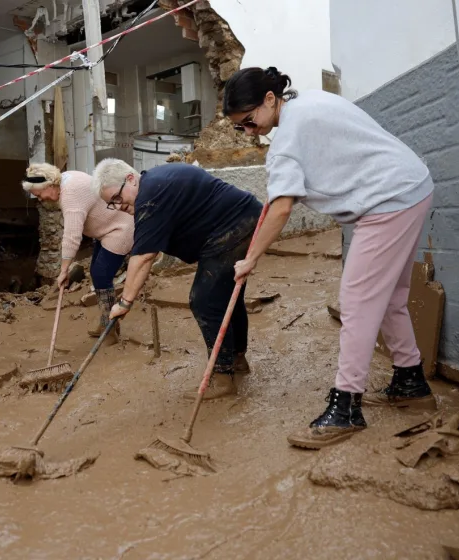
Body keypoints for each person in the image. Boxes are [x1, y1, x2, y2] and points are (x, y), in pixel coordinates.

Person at [223, 66, 437, 449]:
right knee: (389, 298)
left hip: (387, 201)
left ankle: (346, 408)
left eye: (250, 121)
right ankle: (411, 382)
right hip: (410, 187)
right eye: (241, 128)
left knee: (355, 302)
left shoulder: (287, 137)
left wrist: (250, 259)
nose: (250, 132)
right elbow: (279, 198)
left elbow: (282, 208)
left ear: (270, 99)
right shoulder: (307, 102)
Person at [93, 160, 263, 399]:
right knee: (224, 298)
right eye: (111, 204)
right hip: (240, 220)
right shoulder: (154, 186)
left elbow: (144, 256)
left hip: (234, 226)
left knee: (204, 300)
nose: (117, 206)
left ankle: (223, 378)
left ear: (130, 179)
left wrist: (125, 302)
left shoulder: (151, 194)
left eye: (117, 198)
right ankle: (236, 360)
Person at [23, 163, 134, 344]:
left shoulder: (71, 194)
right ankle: (108, 321)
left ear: (49, 185)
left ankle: (110, 329)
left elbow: (72, 236)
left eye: (39, 195)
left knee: (101, 275)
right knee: (97, 272)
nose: (40, 199)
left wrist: (64, 270)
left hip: (120, 228)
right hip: (106, 229)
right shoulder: (66, 179)